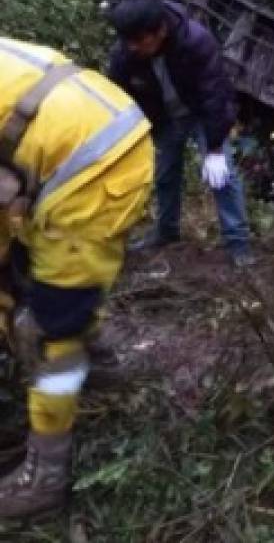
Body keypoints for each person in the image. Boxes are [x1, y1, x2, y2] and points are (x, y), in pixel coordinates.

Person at [0, 36, 153, 518]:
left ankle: (44, 480)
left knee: (51, 328)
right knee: (26, 281)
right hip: (80, 127)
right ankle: (102, 366)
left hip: (93, 166)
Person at [107, 0, 252, 265]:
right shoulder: (126, 54)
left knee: (223, 178)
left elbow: (214, 95)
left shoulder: (196, 42)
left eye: (139, 40)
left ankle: (238, 244)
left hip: (200, 113)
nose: (133, 47)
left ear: (160, 31)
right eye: (128, 40)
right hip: (164, 118)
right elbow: (115, 95)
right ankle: (166, 232)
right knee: (164, 175)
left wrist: (215, 147)